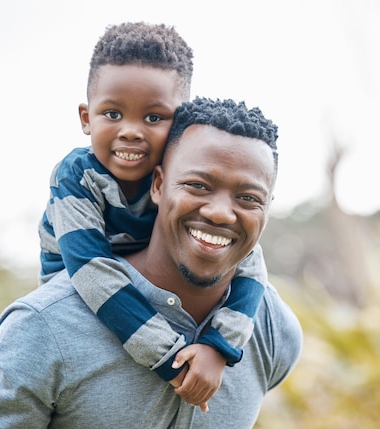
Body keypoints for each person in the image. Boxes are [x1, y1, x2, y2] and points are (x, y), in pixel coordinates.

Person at [0, 97, 302, 428]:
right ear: (158, 185)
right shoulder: (43, 328)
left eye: (248, 198)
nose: (220, 212)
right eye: (198, 185)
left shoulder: (275, 330)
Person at [36, 22, 271, 408]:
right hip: (79, 305)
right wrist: (170, 358)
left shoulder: (182, 184)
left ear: (179, 123)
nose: (130, 132)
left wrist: (219, 347)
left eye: (153, 118)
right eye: (112, 113)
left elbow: (250, 262)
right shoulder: (75, 178)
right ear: (85, 118)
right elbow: (93, 274)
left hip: (155, 298)